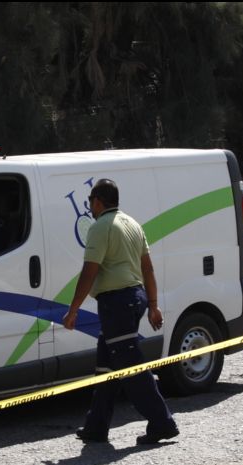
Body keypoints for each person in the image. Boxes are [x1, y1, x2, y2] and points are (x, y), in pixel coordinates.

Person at [62, 178, 179, 445]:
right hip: (133, 298)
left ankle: (162, 422)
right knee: (107, 365)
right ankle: (96, 427)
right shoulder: (132, 224)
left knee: (131, 367)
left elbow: (89, 272)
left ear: (98, 201)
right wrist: (152, 305)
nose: (89, 206)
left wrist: (73, 310)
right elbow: (147, 268)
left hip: (118, 303)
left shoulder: (100, 227)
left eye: (91, 200)